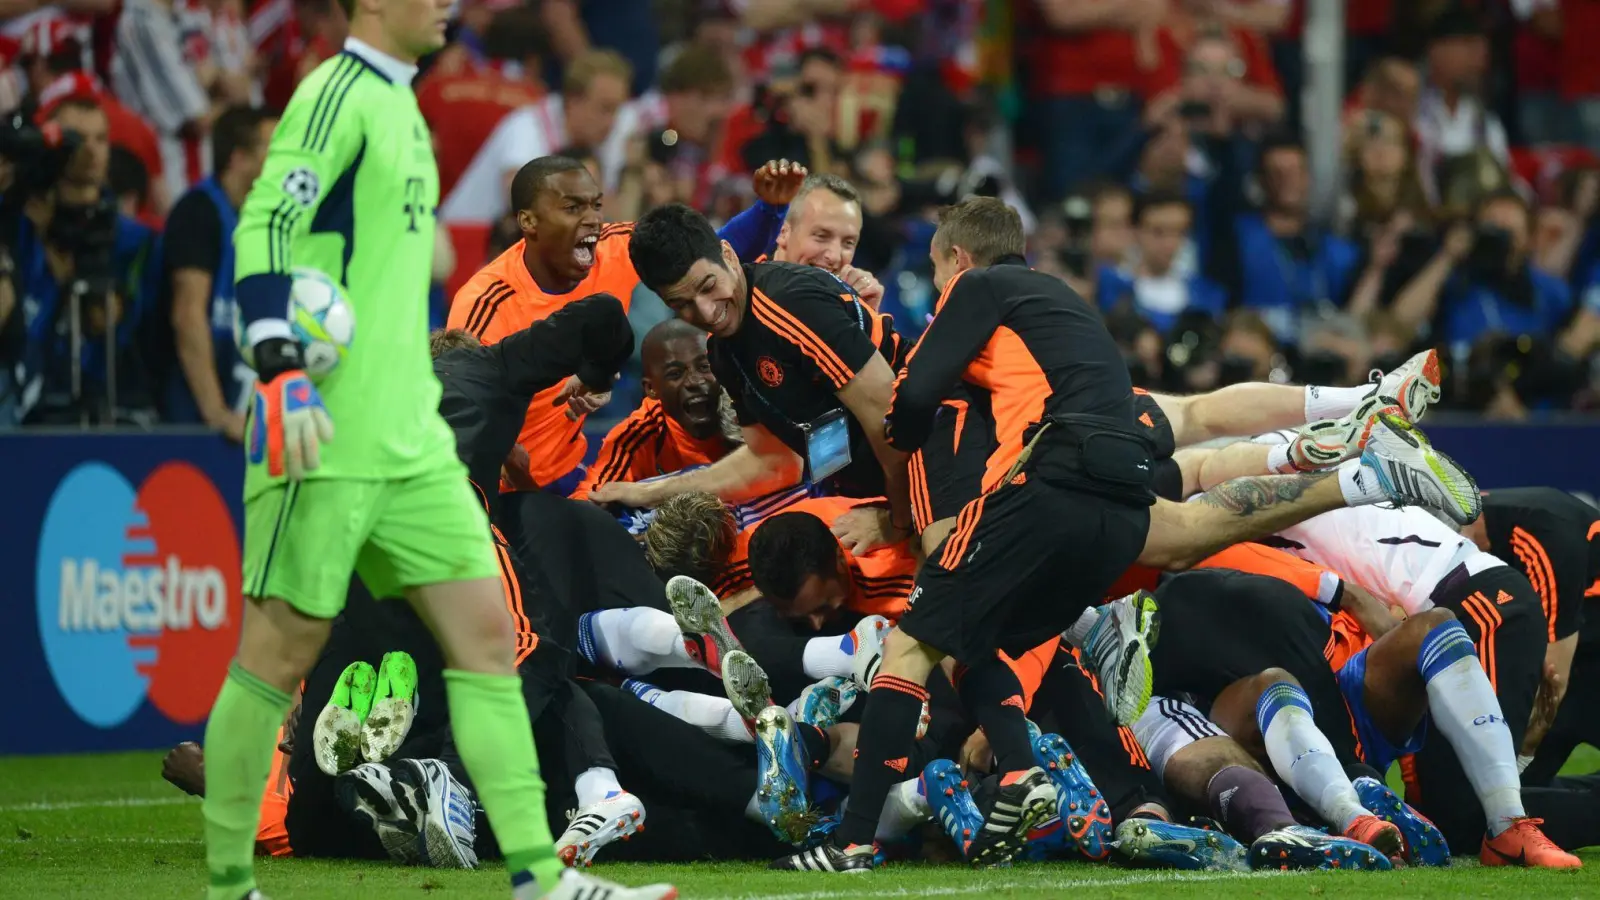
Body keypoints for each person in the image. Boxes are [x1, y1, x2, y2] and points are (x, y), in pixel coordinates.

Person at [209, 0, 674, 894]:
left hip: (412, 433)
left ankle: (538, 870)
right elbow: (266, 225)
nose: (449, 7)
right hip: (336, 424)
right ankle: (230, 881)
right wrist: (280, 363)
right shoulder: (334, 98)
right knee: (271, 663)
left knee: (500, 646)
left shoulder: (401, 111)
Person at [447, 156, 798, 494]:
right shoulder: (485, 304)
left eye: (596, 206)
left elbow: (700, 255)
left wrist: (769, 209)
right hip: (502, 485)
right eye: (573, 208)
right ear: (529, 221)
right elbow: (460, 411)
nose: (592, 220)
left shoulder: (612, 248)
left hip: (572, 467)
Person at [599, 202, 913, 539]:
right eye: (682, 304)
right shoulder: (723, 351)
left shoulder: (790, 305)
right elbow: (772, 461)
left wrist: (898, 521)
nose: (706, 312)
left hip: (930, 461)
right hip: (878, 488)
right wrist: (650, 492)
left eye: (707, 286)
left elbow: (890, 416)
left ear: (729, 256)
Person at [154, 106, 275, 438]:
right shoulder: (198, 213)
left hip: (243, 417)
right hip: (190, 427)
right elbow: (188, 315)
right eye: (273, 149)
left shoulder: (265, 225)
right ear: (238, 159)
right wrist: (217, 413)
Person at [573, 319, 736, 498]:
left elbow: (765, 463)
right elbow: (592, 498)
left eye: (705, 366)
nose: (695, 381)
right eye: (675, 374)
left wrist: (650, 492)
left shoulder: (748, 406)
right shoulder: (637, 434)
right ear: (651, 389)